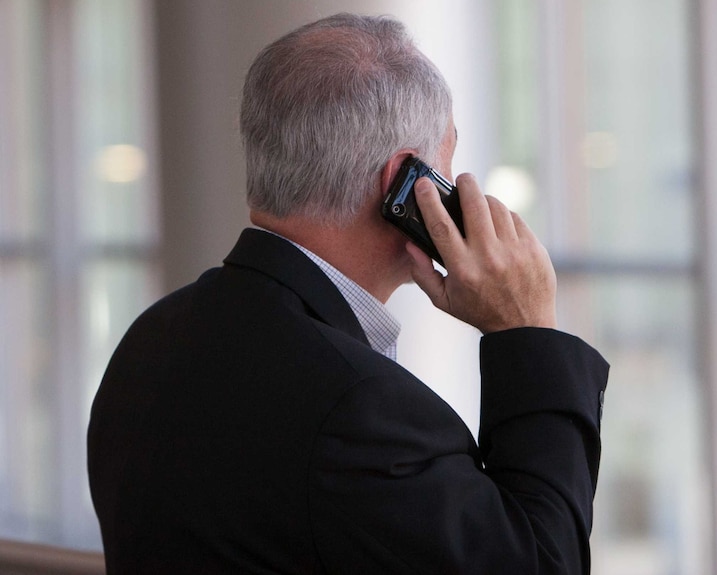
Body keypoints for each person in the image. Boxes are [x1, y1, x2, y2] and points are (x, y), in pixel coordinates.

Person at [87, 13, 608, 575]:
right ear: (405, 186)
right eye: (449, 159)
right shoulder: (359, 410)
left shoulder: (151, 338)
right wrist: (524, 334)